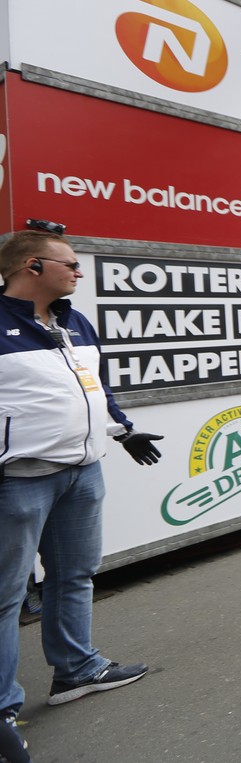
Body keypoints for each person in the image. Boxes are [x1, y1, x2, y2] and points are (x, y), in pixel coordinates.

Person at [1, 230, 165, 755]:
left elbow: (96, 387)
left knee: (74, 575)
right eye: (69, 263)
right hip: (17, 479)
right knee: (5, 596)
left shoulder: (75, 321)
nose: (77, 271)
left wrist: (122, 430)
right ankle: (2, 709)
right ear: (31, 266)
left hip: (83, 471)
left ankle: (76, 670)